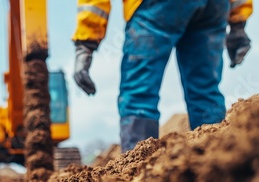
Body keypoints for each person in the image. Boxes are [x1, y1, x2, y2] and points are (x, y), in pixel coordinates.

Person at [72, 0, 253, 152]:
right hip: (213, 6)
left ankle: (136, 176)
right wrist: (238, 23)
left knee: (139, 97)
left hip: (155, 6)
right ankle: (218, 166)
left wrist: (85, 43)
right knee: (205, 92)